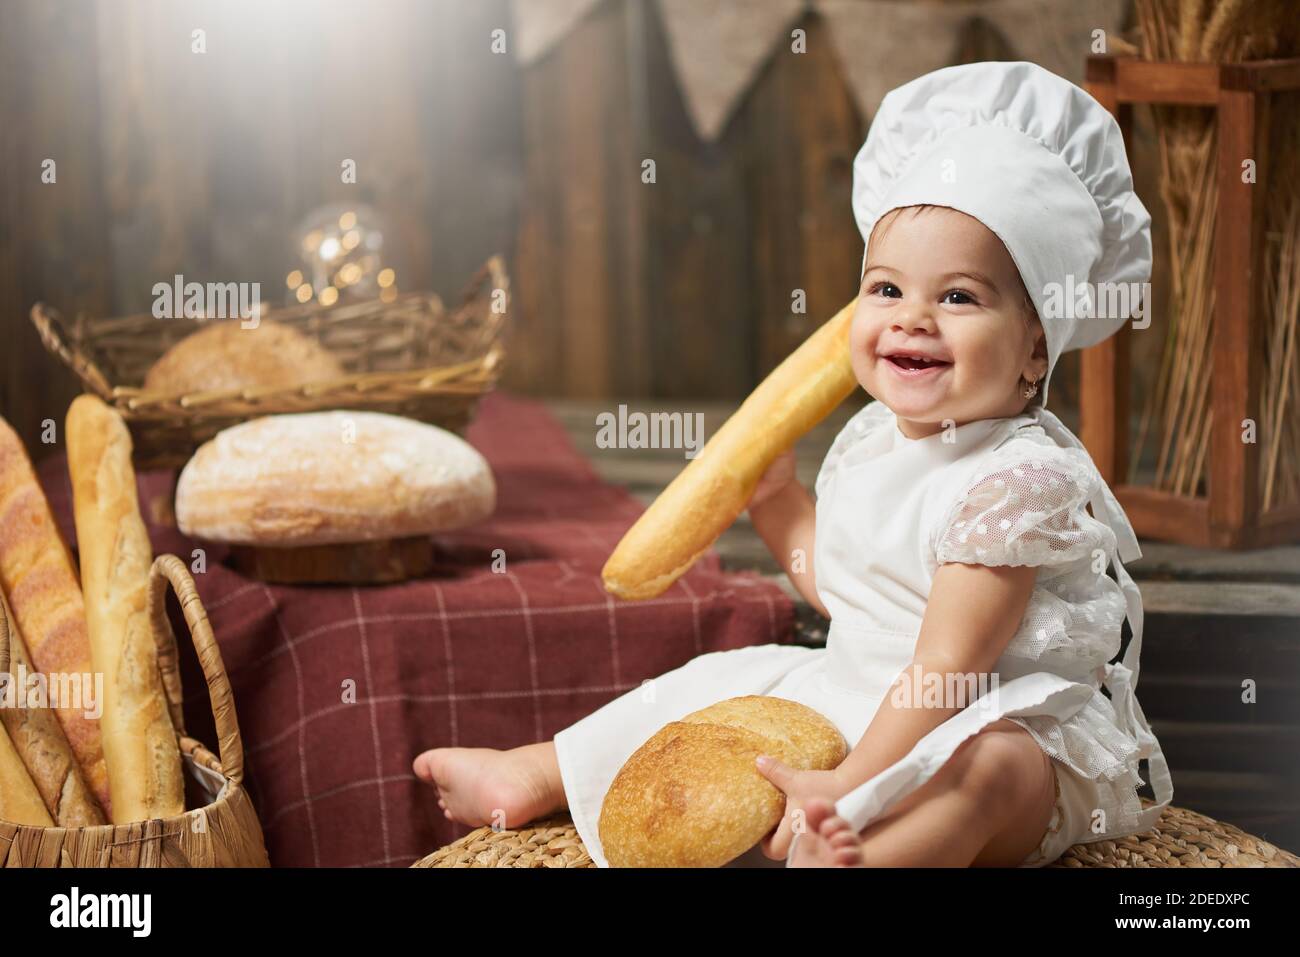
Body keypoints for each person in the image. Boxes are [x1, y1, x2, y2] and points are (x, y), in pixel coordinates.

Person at [414, 60, 1173, 867]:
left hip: (975, 713)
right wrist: (777, 504)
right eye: (885, 289)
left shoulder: (1016, 483)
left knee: (990, 770)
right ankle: (537, 772)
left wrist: (856, 777)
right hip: (858, 694)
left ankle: (872, 856)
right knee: (717, 678)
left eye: (958, 296)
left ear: (1033, 351)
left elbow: (947, 667)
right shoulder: (875, 439)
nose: (912, 317)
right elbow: (843, 584)